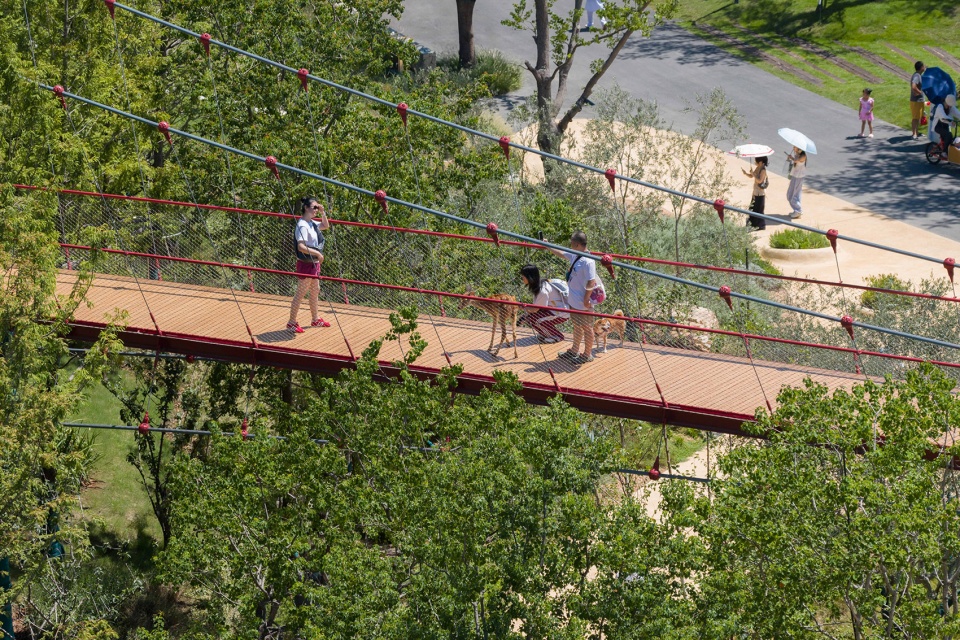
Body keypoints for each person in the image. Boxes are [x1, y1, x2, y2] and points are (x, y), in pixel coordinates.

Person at [546, 231, 598, 364]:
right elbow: (562, 253)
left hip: (583, 303)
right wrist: (547, 245)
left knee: (587, 327)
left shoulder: (588, 261)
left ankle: (587, 354)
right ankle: (574, 350)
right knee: (577, 326)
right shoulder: (576, 254)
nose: (570, 244)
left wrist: (586, 299)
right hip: (574, 300)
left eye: (572, 242)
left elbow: (591, 281)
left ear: (577, 244)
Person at [287, 196, 331, 333]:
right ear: (306, 208)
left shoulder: (311, 223)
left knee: (315, 290)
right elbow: (301, 246)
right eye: (314, 208)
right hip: (307, 262)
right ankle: (291, 322)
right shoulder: (302, 225)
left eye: (317, 208)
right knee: (301, 293)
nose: (316, 210)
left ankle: (315, 318)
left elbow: (325, 226)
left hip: (314, 262)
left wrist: (323, 212)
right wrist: (317, 254)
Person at [518, 264, 569, 344]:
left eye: (523, 276)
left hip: (561, 312)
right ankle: (546, 333)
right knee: (529, 317)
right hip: (554, 309)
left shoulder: (542, 291)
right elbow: (538, 307)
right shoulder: (540, 284)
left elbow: (535, 309)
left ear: (529, 277)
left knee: (534, 320)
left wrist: (522, 307)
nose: (522, 278)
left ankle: (556, 336)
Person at [741, 155, 768, 230]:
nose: (755, 162)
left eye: (756, 160)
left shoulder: (763, 170)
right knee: (752, 208)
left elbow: (759, 180)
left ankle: (760, 225)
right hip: (755, 192)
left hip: (760, 193)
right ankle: (752, 224)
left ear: (761, 162)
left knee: (759, 210)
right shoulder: (758, 168)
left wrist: (753, 174)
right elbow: (752, 176)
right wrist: (746, 173)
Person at [785, 147, 807, 220]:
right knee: (790, 194)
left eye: (795, 147)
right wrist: (792, 157)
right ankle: (796, 210)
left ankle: (798, 210)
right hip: (795, 176)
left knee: (794, 194)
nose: (793, 148)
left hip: (799, 177)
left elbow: (798, 161)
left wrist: (793, 158)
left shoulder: (803, 155)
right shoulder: (797, 154)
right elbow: (795, 161)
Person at [911, 61, 926, 140]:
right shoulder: (917, 76)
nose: (925, 67)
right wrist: (920, 92)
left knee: (919, 117)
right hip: (916, 101)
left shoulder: (919, 75)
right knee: (915, 118)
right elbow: (913, 86)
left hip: (919, 101)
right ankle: (914, 134)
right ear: (921, 67)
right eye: (924, 66)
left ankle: (917, 132)